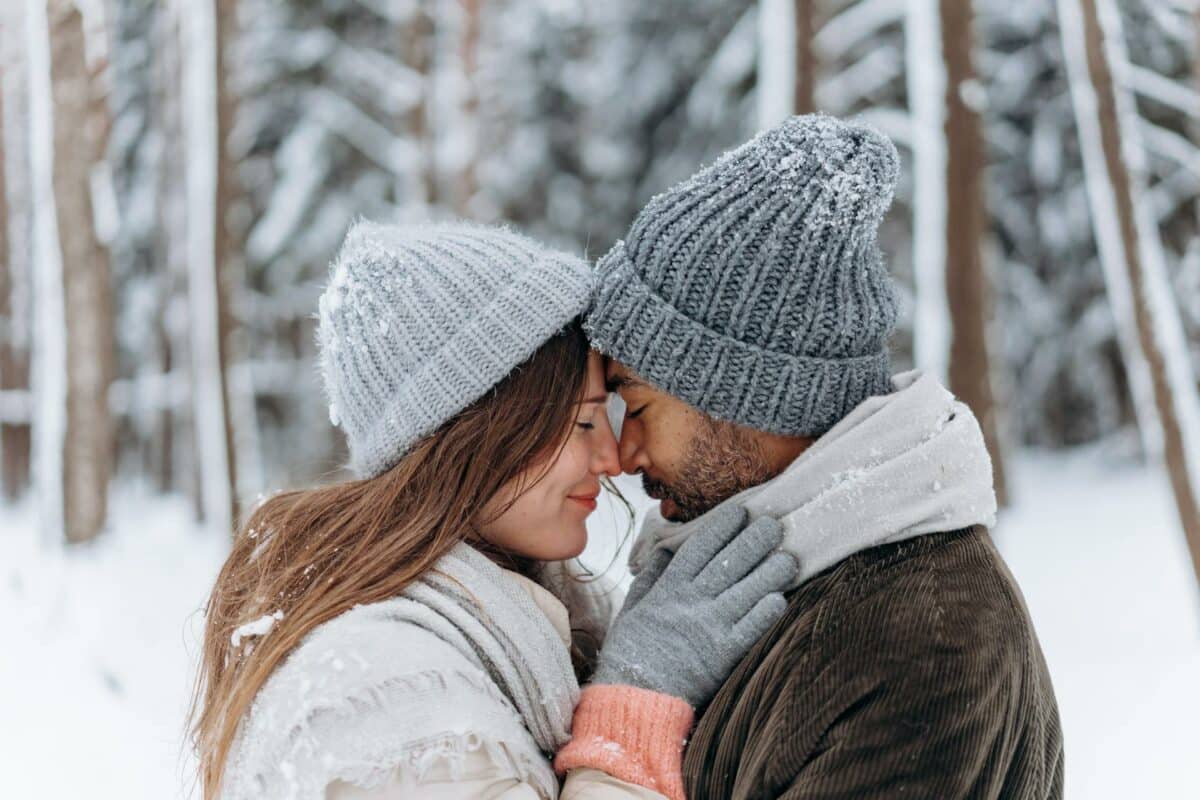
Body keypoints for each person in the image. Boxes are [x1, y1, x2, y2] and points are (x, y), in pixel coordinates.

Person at [189, 220, 798, 800]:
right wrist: (636, 703)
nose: (611, 458)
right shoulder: (386, 699)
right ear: (480, 435)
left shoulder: (508, 627)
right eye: (584, 421)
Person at [584, 115, 1065, 799]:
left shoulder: (920, 642)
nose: (623, 454)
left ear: (741, 390)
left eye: (637, 405)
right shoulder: (773, 585)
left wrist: (629, 716)